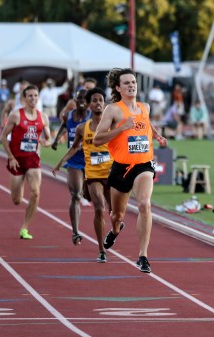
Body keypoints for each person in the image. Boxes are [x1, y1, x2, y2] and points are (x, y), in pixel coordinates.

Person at [93, 68, 167, 273]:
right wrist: (122, 128)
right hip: (120, 168)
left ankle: (143, 256)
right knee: (117, 216)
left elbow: (147, 125)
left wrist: (158, 136)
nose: (131, 85)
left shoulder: (145, 107)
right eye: (126, 83)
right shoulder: (113, 110)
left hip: (143, 165)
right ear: (118, 87)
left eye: (133, 82)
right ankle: (116, 230)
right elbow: (97, 139)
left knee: (144, 204)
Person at [52, 87, 112, 262]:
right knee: (80, 196)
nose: (82, 101)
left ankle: (114, 229)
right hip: (81, 165)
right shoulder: (75, 121)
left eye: (99, 100)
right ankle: (80, 234)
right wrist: (59, 156)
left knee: (114, 213)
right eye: (80, 98)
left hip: (105, 170)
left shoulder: (106, 122)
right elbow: (67, 131)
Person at [0, 85, 52, 240]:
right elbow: (3, 137)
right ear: (24, 98)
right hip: (16, 160)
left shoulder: (43, 117)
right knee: (16, 200)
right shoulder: (16, 115)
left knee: (36, 192)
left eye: (36, 96)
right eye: (30, 96)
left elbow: (49, 138)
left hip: (32, 159)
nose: (33, 99)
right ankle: (19, 184)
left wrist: (46, 142)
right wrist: (11, 157)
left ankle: (24, 228)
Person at [51, 89, 91, 245]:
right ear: (75, 99)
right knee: (75, 194)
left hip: (89, 160)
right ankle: (75, 232)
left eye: (84, 99)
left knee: (89, 196)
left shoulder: (92, 117)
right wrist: (56, 140)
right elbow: (64, 126)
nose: (81, 101)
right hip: (73, 159)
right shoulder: (69, 115)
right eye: (79, 98)